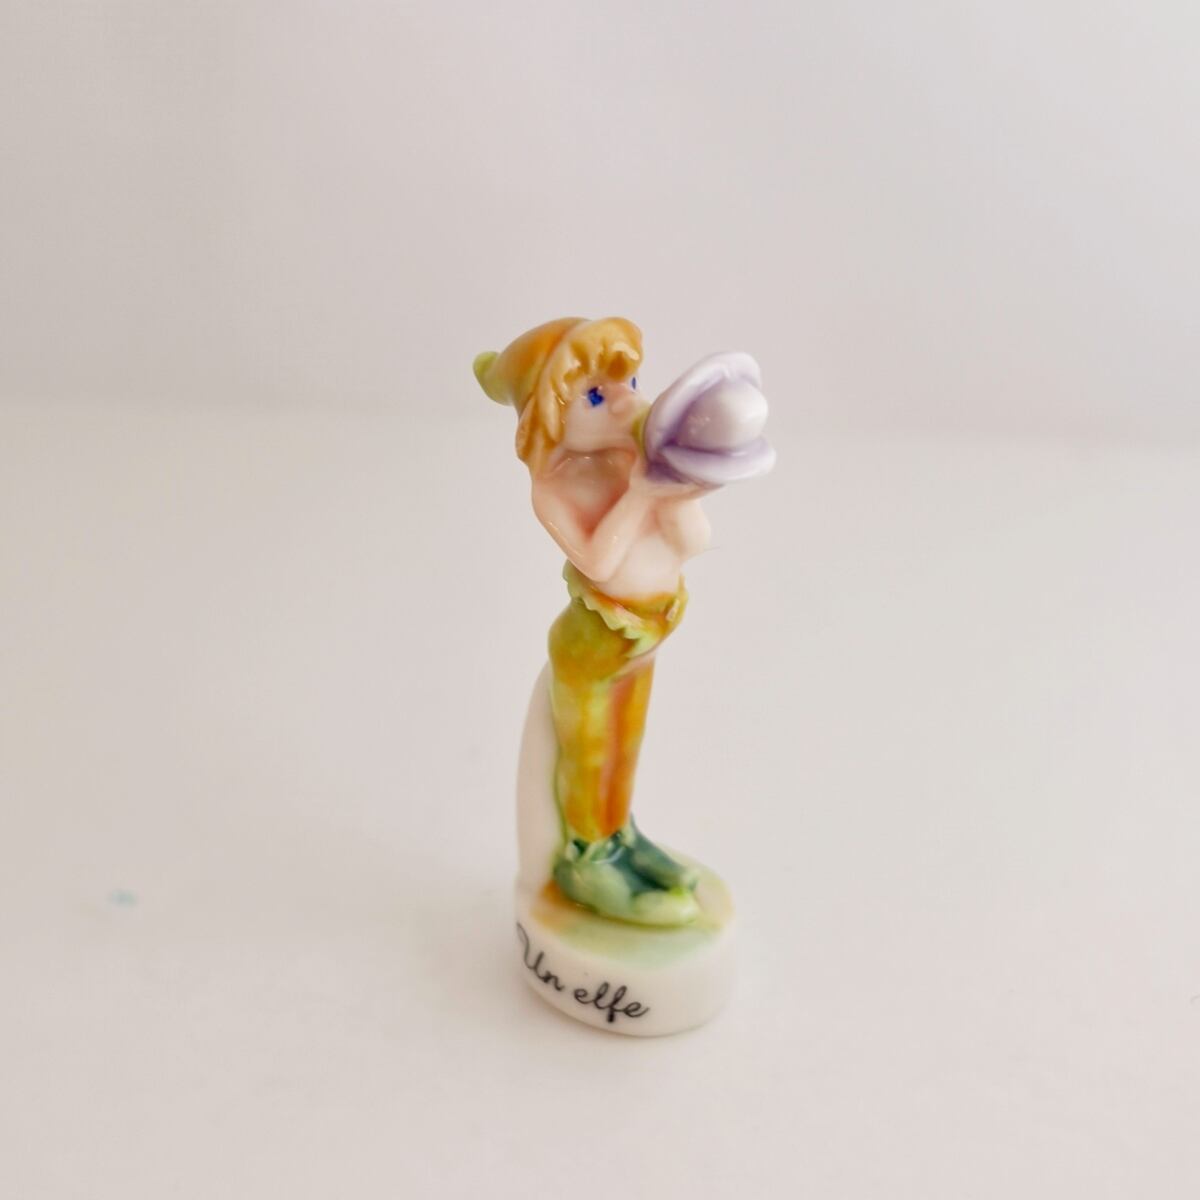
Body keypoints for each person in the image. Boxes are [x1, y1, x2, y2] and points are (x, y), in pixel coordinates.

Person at [475, 318, 711, 925]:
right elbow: (599, 562)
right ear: (548, 418)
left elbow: (694, 544)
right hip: (595, 641)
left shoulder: (633, 462)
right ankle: (587, 857)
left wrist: (682, 492)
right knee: (590, 756)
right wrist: (641, 494)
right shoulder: (555, 488)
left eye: (629, 381)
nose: (628, 401)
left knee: (626, 748)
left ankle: (621, 838)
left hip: (648, 629)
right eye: (597, 396)